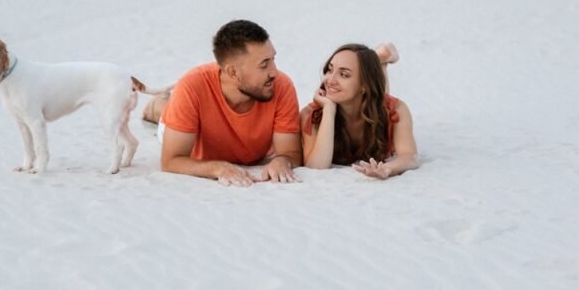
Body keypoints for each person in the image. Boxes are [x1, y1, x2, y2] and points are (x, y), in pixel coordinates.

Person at [154, 20, 302, 187]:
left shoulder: (281, 86)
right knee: (165, 112)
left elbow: (291, 153)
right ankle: (157, 105)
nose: (274, 72)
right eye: (264, 65)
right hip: (182, 128)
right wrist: (217, 168)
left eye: (273, 59)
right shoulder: (191, 87)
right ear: (232, 72)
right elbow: (171, 161)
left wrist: (283, 161)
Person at [300, 42, 419, 179]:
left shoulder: (395, 110)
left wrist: (388, 168)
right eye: (329, 70)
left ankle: (379, 61)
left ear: (363, 84)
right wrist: (329, 110)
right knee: (374, 92)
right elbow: (316, 167)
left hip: (371, 97)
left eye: (344, 74)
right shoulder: (312, 115)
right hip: (364, 88)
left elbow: (410, 156)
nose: (330, 81)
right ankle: (376, 59)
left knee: (378, 99)